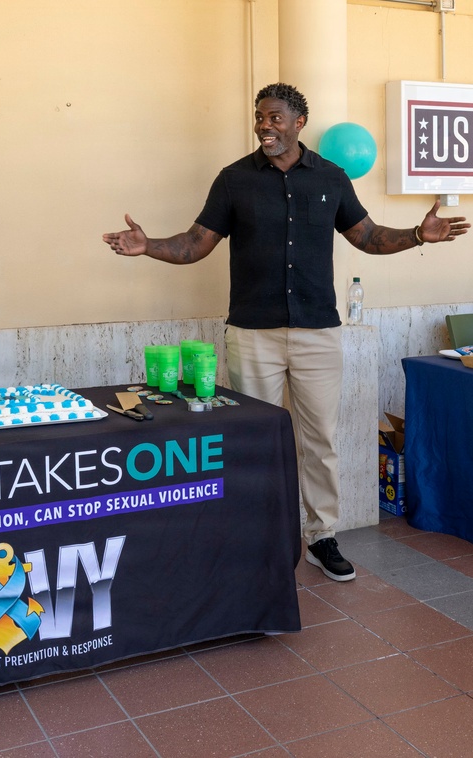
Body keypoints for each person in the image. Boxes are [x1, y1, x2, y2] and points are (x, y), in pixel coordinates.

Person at [102, 82, 469, 582]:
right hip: (253, 334)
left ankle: (322, 537)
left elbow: (366, 236)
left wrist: (413, 236)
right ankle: (257, 533)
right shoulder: (234, 180)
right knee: (256, 437)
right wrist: (148, 246)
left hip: (319, 332)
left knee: (320, 440)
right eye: (259, 117)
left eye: (274, 117)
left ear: (299, 122)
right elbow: (194, 244)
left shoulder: (331, 177)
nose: (264, 126)